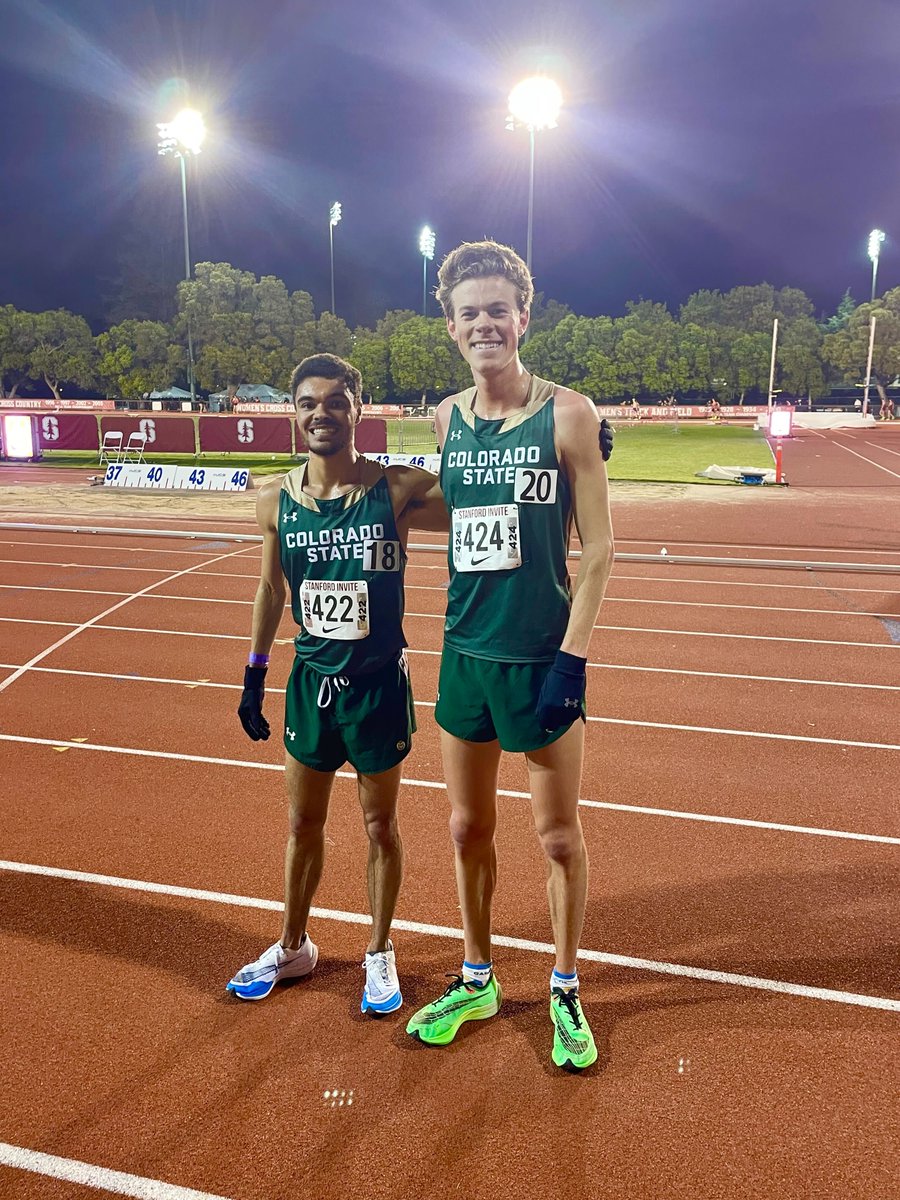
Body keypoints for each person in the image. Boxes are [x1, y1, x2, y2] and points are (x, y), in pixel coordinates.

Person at [405, 241, 615, 1072]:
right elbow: (458, 513)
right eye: (469, 312)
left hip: (541, 658)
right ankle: (478, 977)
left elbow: (597, 549)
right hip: (466, 653)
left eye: (498, 309)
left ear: (523, 317)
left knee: (558, 836)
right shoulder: (446, 417)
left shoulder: (568, 413)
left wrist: (574, 659)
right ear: (451, 327)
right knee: (465, 827)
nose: (484, 323)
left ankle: (564, 987)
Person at [228, 353, 446, 1013]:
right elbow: (271, 588)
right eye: (307, 403)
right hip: (310, 685)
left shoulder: (398, 489)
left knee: (380, 825)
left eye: (334, 402)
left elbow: (483, 496)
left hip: (378, 687)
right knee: (302, 822)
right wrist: (254, 673)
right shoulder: (274, 498)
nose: (320, 414)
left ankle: (379, 951)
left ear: (358, 408)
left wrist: (553, 453)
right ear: (294, 412)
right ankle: (293, 945)